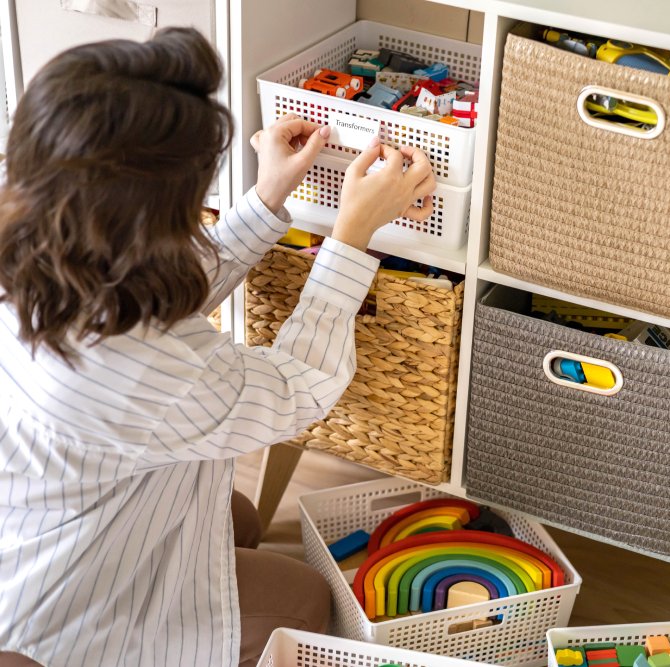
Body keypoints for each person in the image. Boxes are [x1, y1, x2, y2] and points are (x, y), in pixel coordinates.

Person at [0, 27, 435, 667]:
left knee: (238, 518)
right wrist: (352, 232)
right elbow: (298, 387)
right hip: (63, 621)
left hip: (33, 526)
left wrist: (267, 197)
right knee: (304, 598)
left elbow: (146, 296)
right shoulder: (139, 371)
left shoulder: (39, 240)